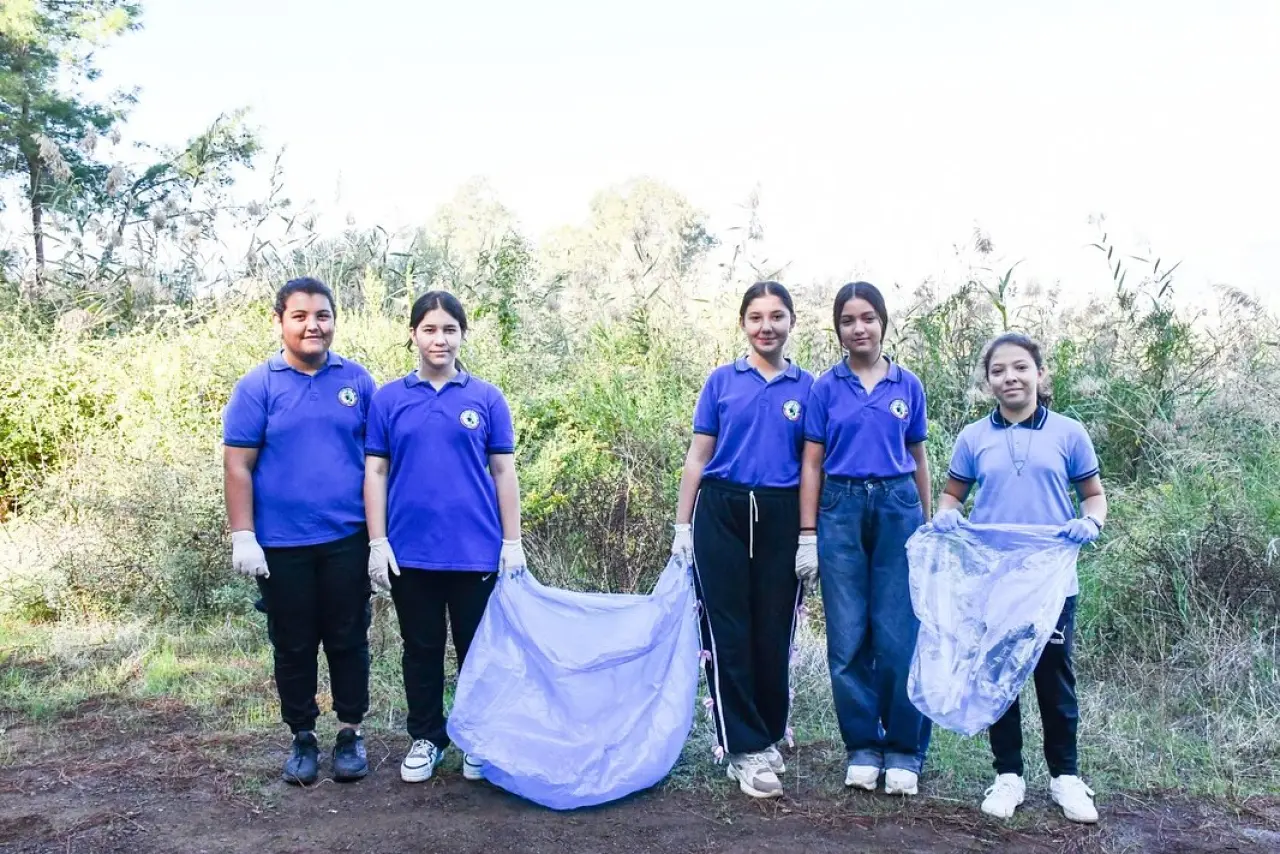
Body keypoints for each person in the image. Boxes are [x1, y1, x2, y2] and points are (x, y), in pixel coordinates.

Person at [931, 332, 1106, 824]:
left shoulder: (1069, 432)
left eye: (1020, 367)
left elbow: (1094, 497)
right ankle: (1008, 774)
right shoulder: (973, 438)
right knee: (998, 676)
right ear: (988, 381)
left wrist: (1090, 522)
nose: (1010, 377)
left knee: (1054, 678)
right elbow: (952, 496)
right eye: (999, 370)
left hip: (1051, 581)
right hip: (995, 578)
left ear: (1039, 374)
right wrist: (946, 514)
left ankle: (1065, 777)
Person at [364, 290, 527, 784]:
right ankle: (427, 738)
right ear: (413, 335)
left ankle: (478, 739)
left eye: (450, 329)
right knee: (422, 649)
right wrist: (377, 542)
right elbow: (376, 472)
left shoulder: (486, 398)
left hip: (476, 551)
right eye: (430, 329)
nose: (440, 339)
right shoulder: (389, 399)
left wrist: (512, 543)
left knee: (479, 651)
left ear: (462, 335)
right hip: (410, 553)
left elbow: (503, 471)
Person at [223, 277, 377, 785]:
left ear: (334, 321)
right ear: (279, 321)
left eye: (323, 315)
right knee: (293, 644)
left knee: (348, 638)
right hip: (281, 546)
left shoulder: (358, 382)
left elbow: (378, 465)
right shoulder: (257, 387)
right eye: (301, 316)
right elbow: (238, 465)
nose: (313, 325)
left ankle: (350, 734)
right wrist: (243, 534)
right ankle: (303, 738)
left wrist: (381, 538)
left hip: (347, 539)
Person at [672, 281, 815, 800]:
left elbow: (813, 465)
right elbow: (698, 456)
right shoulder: (721, 381)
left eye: (777, 316)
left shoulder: (809, 387)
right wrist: (682, 527)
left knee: (774, 629)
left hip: (781, 513)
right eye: (756, 317)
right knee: (728, 630)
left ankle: (768, 732)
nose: (766, 327)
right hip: (723, 511)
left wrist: (809, 534)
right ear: (743, 324)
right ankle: (742, 748)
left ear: (791, 322)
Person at [796, 281, 933, 796]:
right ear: (838, 329)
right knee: (848, 633)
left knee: (899, 635)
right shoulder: (825, 388)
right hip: (841, 508)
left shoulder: (907, 385)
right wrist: (808, 533)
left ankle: (903, 750)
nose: (859, 328)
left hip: (898, 506)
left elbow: (918, 458)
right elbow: (812, 463)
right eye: (848, 320)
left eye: (868, 318)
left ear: (883, 322)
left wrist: (925, 526)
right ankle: (862, 747)